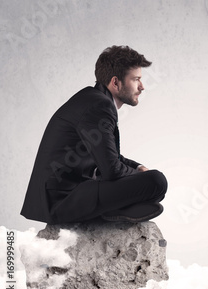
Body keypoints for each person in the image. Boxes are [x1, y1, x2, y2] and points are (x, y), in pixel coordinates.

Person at [21, 45, 167, 224]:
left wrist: (138, 168)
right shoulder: (99, 106)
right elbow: (112, 169)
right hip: (64, 201)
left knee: (150, 183)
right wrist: (142, 178)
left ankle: (118, 209)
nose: (142, 87)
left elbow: (108, 156)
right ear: (116, 82)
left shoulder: (92, 99)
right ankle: (114, 210)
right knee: (157, 182)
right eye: (136, 79)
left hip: (70, 194)